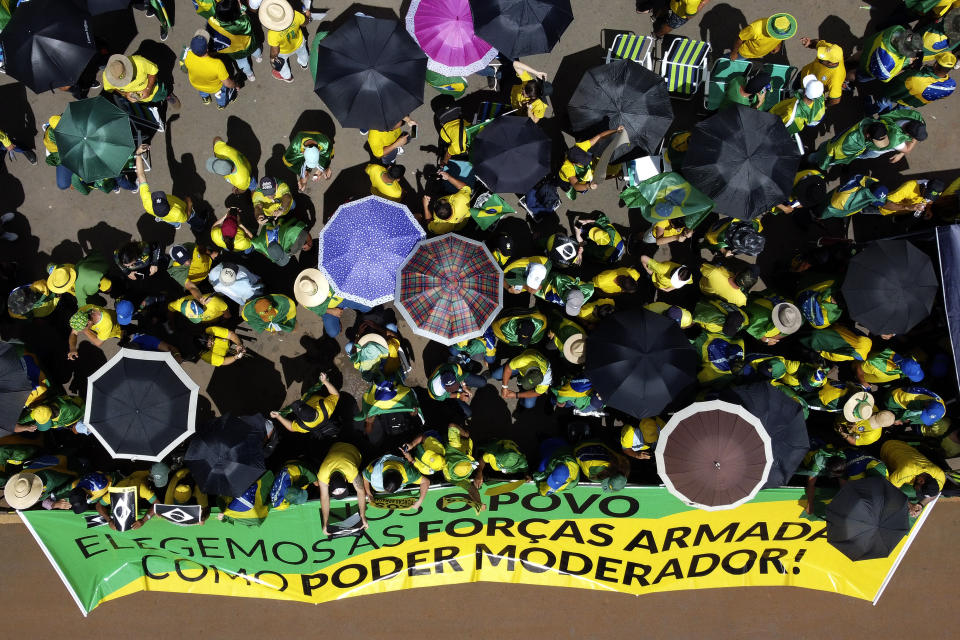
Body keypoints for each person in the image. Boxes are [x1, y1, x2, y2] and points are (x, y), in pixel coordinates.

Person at [134, 145, 198, 230]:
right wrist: (189, 204)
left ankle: (176, 225)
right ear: (168, 205)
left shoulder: (147, 203)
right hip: (181, 210)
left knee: (168, 219)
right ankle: (199, 226)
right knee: (193, 218)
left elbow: (141, 175)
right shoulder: (178, 213)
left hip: (167, 217)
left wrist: (138, 154)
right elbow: (186, 217)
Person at [293, 268, 365, 338]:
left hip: (343, 298)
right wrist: (330, 311)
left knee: (367, 308)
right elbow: (315, 309)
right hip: (327, 309)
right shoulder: (304, 298)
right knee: (332, 333)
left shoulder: (328, 272)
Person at [316, 442, 368, 534]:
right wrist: (325, 522)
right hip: (336, 445)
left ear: (345, 479)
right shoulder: (322, 475)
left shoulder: (352, 472)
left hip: (355, 447)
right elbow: (324, 497)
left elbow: (361, 492)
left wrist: (363, 516)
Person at [880, 439, 945, 514]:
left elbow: (935, 493)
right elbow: (891, 490)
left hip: (904, 448)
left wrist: (921, 505)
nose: (917, 491)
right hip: (887, 447)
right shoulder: (907, 471)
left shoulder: (940, 476)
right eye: (919, 490)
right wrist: (909, 505)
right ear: (921, 481)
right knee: (887, 493)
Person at [558, 127, 624, 197]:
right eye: (583, 164)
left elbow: (600, 136)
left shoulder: (581, 146)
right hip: (565, 180)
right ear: (574, 164)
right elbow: (575, 185)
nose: (586, 164)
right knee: (565, 185)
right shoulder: (567, 168)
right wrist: (588, 186)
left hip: (578, 170)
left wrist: (616, 130)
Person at [206, 0, 262, 82]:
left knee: (243, 64)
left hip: (235, 52)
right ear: (235, 12)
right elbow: (247, 21)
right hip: (250, 44)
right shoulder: (242, 23)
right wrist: (242, 7)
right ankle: (259, 57)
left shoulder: (213, 22)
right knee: (256, 51)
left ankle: (250, 75)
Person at [878, 51, 956, 107]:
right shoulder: (951, 86)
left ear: (935, 65)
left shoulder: (915, 78)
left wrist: (885, 93)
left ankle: (871, 111)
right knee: (903, 108)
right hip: (913, 102)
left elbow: (896, 88)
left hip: (901, 97)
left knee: (883, 102)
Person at [102, 53, 180, 109]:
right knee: (150, 104)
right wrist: (125, 94)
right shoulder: (107, 78)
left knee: (162, 93)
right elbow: (113, 88)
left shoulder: (139, 62)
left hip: (154, 89)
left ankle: (168, 96)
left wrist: (148, 89)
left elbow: (153, 72)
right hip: (138, 99)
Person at [271, 372, 339, 435]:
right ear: (312, 408)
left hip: (311, 404)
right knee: (324, 381)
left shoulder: (303, 426)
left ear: (301, 419)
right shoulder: (326, 407)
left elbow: (291, 428)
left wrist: (278, 417)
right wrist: (325, 381)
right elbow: (336, 395)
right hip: (316, 398)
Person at [182, 30, 236, 109]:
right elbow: (227, 84)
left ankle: (206, 99)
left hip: (197, 84)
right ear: (207, 48)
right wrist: (235, 85)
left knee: (203, 90)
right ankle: (221, 105)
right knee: (221, 95)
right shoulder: (217, 64)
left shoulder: (186, 55)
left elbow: (184, 68)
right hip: (215, 87)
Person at [810, 120, 891, 170]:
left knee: (823, 146)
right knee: (816, 157)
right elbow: (832, 152)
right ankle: (808, 161)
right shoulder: (851, 143)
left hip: (832, 143)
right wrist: (824, 165)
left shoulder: (868, 123)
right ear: (868, 135)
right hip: (830, 153)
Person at [492, 348, 552, 415]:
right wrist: (504, 387)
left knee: (529, 405)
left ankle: (521, 403)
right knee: (496, 375)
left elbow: (537, 393)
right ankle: (515, 359)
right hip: (522, 363)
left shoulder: (547, 378)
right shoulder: (524, 361)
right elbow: (508, 368)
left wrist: (516, 395)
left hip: (529, 368)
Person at [261, 0, 309, 83]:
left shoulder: (272, 33)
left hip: (284, 51)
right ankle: (304, 64)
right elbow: (305, 23)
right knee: (303, 53)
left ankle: (288, 77)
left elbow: (275, 51)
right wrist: (307, 16)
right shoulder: (296, 15)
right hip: (299, 42)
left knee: (282, 66)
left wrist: (272, 58)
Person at [856, 25, 923, 84]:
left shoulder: (897, 29)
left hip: (870, 47)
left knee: (861, 54)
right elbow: (885, 78)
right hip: (867, 67)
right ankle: (847, 79)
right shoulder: (888, 61)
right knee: (857, 76)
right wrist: (906, 62)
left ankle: (848, 60)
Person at [362, 453, 430, 510]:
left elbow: (426, 482)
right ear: (382, 479)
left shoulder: (409, 474)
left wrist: (420, 501)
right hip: (378, 459)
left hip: (398, 459)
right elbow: (365, 478)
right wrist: (369, 493)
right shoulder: (372, 471)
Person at [46, 253, 112, 306]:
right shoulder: (65, 270)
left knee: (94, 300)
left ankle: (100, 303)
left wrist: (108, 290)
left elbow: (105, 283)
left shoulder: (82, 284)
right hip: (89, 287)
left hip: (87, 290)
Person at [798, 38, 846, 106]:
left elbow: (835, 100)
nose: (819, 58)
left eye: (823, 58)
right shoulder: (831, 50)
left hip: (811, 91)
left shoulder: (835, 79)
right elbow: (818, 43)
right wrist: (810, 43)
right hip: (804, 73)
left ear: (831, 63)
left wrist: (823, 105)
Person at [729, 13, 798, 60]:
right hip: (744, 53)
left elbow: (780, 37)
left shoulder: (783, 29)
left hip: (757, 54)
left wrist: (778, 44)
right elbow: (740, 38)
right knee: (726, 62)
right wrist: (734, 52)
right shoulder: (755, 29)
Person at [818, 175, 889, 219]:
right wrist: (821, 217)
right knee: (823, 212)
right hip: (837, 204)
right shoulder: (840, 202)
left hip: (838, 194)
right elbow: (831, 210)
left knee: (827, 198)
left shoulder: (871, 181)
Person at [854, 348, 925, 387]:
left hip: (876, 378)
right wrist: (863, 382)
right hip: (858, 375)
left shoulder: (910, 360)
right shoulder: (877, 365)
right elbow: (858, 368)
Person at [801, 324, 873, 362]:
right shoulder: (843, 356)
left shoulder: (867, 341)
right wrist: (820, 352)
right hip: (816, 343)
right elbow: (828, 355)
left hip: (826, 329)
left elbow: (850, 329)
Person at [877, 178, 944, 217]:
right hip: (883, 209)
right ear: (924, 187)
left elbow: (930, 201)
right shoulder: (908, 187)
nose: (928, 198)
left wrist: (928, 209)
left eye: (931, 197)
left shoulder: (937, 190)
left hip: (901, 211)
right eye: (927, 195)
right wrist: (907, 207)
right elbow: (884, 204)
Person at [17, 395, 85, 433]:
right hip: (73, 400)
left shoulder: (69, 414)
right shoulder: (41, 409)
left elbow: (64, 423)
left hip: (80, 408)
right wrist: (19, 422)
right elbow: (30, 416)